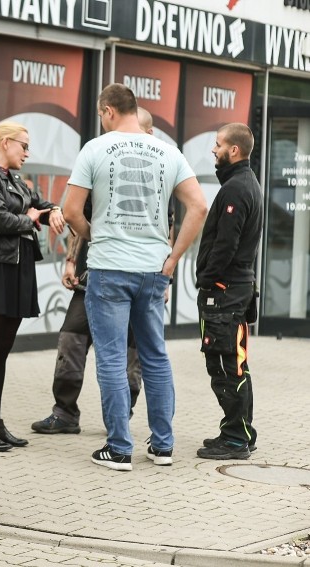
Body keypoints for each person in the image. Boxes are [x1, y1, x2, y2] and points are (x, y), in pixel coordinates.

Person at [64, 84, 207, 471]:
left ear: (108, 111)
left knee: (111, 358)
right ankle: (162, 446)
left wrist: (98, 236)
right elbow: (198, 206)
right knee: (155, 356)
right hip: (153, 267)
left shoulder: (95, 148)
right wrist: (174, 257)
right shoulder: (167, 151)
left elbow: (71, 210)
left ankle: (119, 448)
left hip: (111, 266)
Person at [31, 107, 158, 435]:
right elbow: (76, 214)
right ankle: (65, 413)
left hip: (139, 277)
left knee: (131, 352)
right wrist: (72, 260)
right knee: (71, 340)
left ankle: (121, 415)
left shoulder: (159, 169)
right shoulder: (105, 161)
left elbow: (167, 228)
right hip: (93, 276)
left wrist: (164, 275)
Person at [0, 122, 65, 452]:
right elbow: (1, 219)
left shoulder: (14, 178)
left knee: (1, 352)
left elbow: (37, 204)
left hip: (14, 269)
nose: (27, 152)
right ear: (5, 143)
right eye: (24, 146)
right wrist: (31, 218)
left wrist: (53, 210)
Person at [195, 123, 263, 460]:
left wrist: (209, 280)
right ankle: (239, 432)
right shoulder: (245, 183)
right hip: (236, 289)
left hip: (225, 292)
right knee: (235, 362)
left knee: (225, 364)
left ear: (233, 150)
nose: (214, 149)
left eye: (218, 144)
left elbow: (226, 245)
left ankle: (236, 439)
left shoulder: (237, 188)